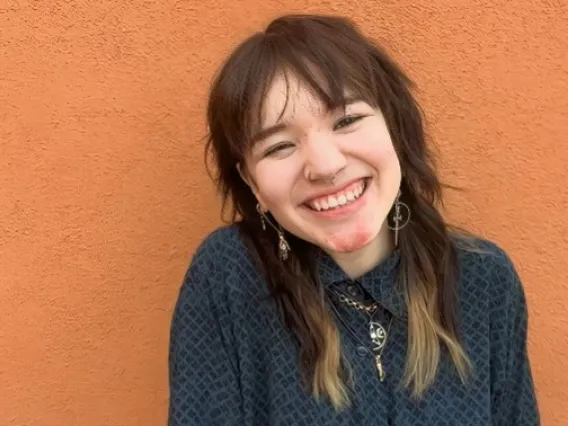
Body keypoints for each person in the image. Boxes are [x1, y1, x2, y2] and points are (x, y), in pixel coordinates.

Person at [167, 13, 539, 426]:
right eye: (279, 146)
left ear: (394, 127)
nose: (325, 166)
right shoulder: (227, 279)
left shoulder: (484, 280)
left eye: (346, 121)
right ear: (251, 182)